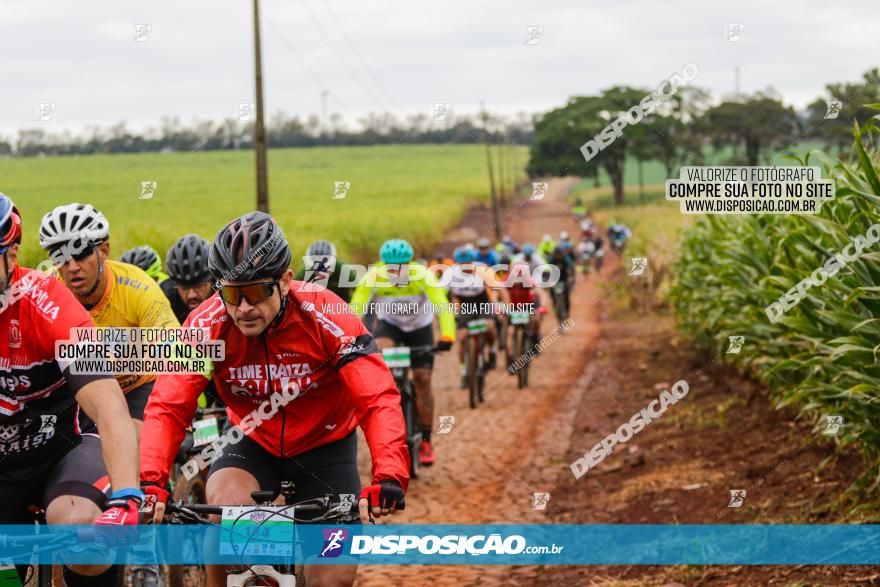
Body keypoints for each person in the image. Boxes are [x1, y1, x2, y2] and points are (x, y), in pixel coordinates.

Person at [139, 212, 409, 587]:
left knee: (332, 578)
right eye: (232, 293)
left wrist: (389, 474)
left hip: (325, 447)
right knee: (225, 512)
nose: (243, 307)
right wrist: (151, 480)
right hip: (252, 441)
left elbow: (377, 397)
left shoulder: (327, 315)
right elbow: (168, 405)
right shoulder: (207, 324)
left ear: (285, 280)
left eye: (256, 292)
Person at [0, 194, 141, 587]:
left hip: (62, 451)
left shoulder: (50, 303)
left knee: (83, 534)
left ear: (11, 258)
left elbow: (110, 404)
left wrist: (128, 494)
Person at [38, 203, 180, 431]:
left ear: (103, 251)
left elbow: (176, 352)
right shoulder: (45, 292)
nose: (72, 266)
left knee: (133, 445)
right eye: (60, 255)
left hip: (137, 388)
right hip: (81, 391)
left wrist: (177, 417)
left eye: (81, 252)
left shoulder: (138, 287)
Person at [349, 239, 455, 468]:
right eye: (391, 267)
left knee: (422, 379)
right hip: (391, 326)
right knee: (384, 361)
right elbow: (355, 307)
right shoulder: (374, 275)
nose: (396, 271)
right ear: (383, 264)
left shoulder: (422, 275)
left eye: (401, 267)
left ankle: (426, 441)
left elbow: (442, 305)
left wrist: (447, 336)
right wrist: (349, 337)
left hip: (420, 328)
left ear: (410, 264)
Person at [448, 246, 498, 387]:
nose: (465, 267)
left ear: (472, 261)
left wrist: (494, 300)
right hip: (464, 305)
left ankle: (492, 351)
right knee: (462, 337)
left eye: (468, 263)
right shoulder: (450, 273)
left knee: (489, 326)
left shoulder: (482, 269)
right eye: (461, 264)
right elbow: (447, 295)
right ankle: (464, 373)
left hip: (482, 302)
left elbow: (494, 287)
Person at [162, 234, 214, 324]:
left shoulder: (225, 292)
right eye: (184, 288)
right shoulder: (165, 297)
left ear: (212, 280)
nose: (191, 295)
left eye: (198, 286)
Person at [548, 244, 575, 315]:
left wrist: (572, 277)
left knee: (566, 294)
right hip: (554, 279)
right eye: (557, 254)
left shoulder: (566, 259)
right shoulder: (552, 260)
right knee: (551, 292)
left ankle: (567, 311)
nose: (558, 255)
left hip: (564, 279)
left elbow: (571, 267)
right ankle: (554, 305)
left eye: (559, 253)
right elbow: (548, 270)